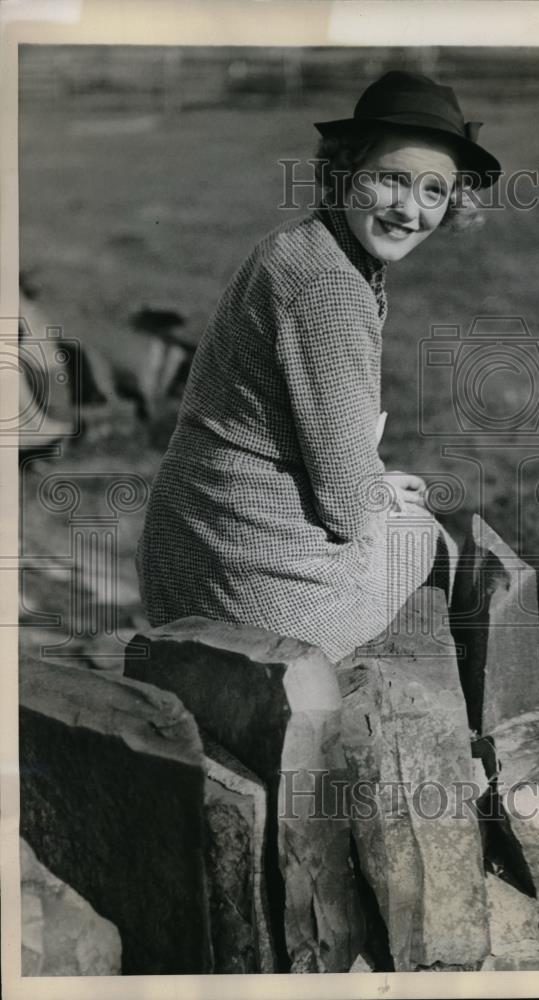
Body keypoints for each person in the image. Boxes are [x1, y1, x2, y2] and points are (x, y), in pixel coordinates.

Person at [136, 71, 502, 663]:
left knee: (407, 518)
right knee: (434, 543)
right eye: (391, 179)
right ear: (345, 171)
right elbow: (346, 506)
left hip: (194, 546)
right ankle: (439, 725)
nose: (410, 209)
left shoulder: (306, 242)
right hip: (247, 585)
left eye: (434, 192)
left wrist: (369, 485)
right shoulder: (330, 286)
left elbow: (325, 454)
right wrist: (376, 496)